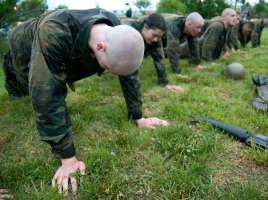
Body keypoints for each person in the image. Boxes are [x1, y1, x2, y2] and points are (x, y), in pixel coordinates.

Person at [2, 8, 169, 196]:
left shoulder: (115, 27)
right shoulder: (54, 33)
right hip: (22, 43)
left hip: (66, 42)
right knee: (23, 84)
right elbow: (47, 95)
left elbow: (129, 74)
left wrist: (138, 116)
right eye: (109, 69)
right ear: (100, 47)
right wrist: (67, 158)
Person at [122, 13, 184, 91]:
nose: (155, 39)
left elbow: (159, 60)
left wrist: (164, 83)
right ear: (145, 27)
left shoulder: (156, 39)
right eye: (154, 35)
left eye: (158, 37)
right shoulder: (128, 29)